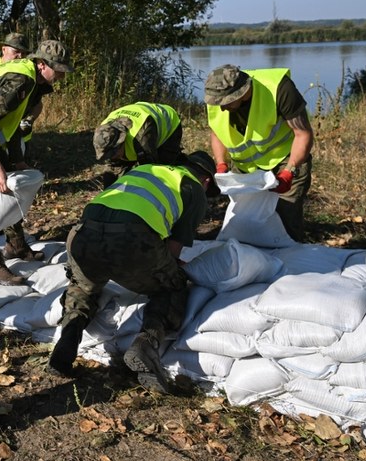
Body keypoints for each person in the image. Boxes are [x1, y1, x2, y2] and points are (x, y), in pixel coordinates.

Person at [48, 152, 219, 394]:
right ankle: (146, 344)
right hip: (130, 238)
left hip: (82, 235)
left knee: (83, 286)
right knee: (172, 287)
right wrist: (169, 269)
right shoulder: (193, 187)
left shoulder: (145, 170)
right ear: (207, 181)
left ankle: (67, 341)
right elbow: (172, 251)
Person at [0, 40, 73, 285]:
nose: (61, 76)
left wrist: (17, 161)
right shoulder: (20, 81)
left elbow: (12, 123)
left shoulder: (32, 81)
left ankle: (15, 245)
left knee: (11, 192)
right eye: (58, 70)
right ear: (41, 64)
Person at [204, 64, 314, 241]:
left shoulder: (279, 89)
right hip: (245, 166)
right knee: (244, 221)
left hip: (285, 160)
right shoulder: (217, 98)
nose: (221, 108)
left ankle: (289, 254)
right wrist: (221, 163)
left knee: (286, 219)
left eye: (226, 102)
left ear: (241, 92)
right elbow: (217, 132)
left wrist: (289, 172)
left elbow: (303, 134)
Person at [93, 101, 183, 185]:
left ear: (121, 142)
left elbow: (150, 170)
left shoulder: (141, 139)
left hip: (169, 123)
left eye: (113, 153)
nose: (112, 158)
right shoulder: (103, 131)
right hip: (140, 112)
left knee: (162, 169)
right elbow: (113, 168)